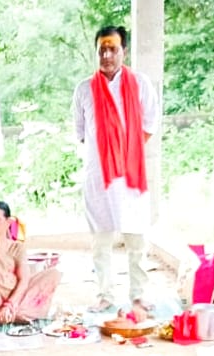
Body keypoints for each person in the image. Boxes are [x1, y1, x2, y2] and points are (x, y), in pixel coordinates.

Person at [74, 25, 160, 313]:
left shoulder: (141, 84)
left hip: (131, 177)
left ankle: (138, 295)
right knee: (101, 243)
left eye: (113, 48)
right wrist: (106, 155)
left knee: (137, 240)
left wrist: (124, 153)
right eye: (102, 49)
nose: (107, 55)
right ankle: (105, 294)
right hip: (98, 177)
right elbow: (82, 132)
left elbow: (149, 124)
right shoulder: (84, 89)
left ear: (124, 50)